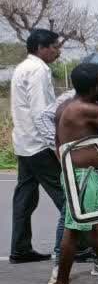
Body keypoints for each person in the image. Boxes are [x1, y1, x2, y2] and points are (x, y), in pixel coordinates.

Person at [37, 53, 98, 281]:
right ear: (93, 85)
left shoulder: (78, 104)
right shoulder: (87, 107)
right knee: (80, 228)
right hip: (83, 175)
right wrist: (64, 153)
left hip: (94, 172)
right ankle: (65, 280)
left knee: (91, 227)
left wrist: (64, 153)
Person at [9, 29, 67, 264]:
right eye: (54, 46)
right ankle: (76, 248)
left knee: (25, 198)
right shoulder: (39, 70)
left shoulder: (22, 67)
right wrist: (55, 145)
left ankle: (20, 248)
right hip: (39, 145)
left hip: (24, 143)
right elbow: (41, 112)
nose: (58, 50)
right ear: (42, 47)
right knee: (67, 198)